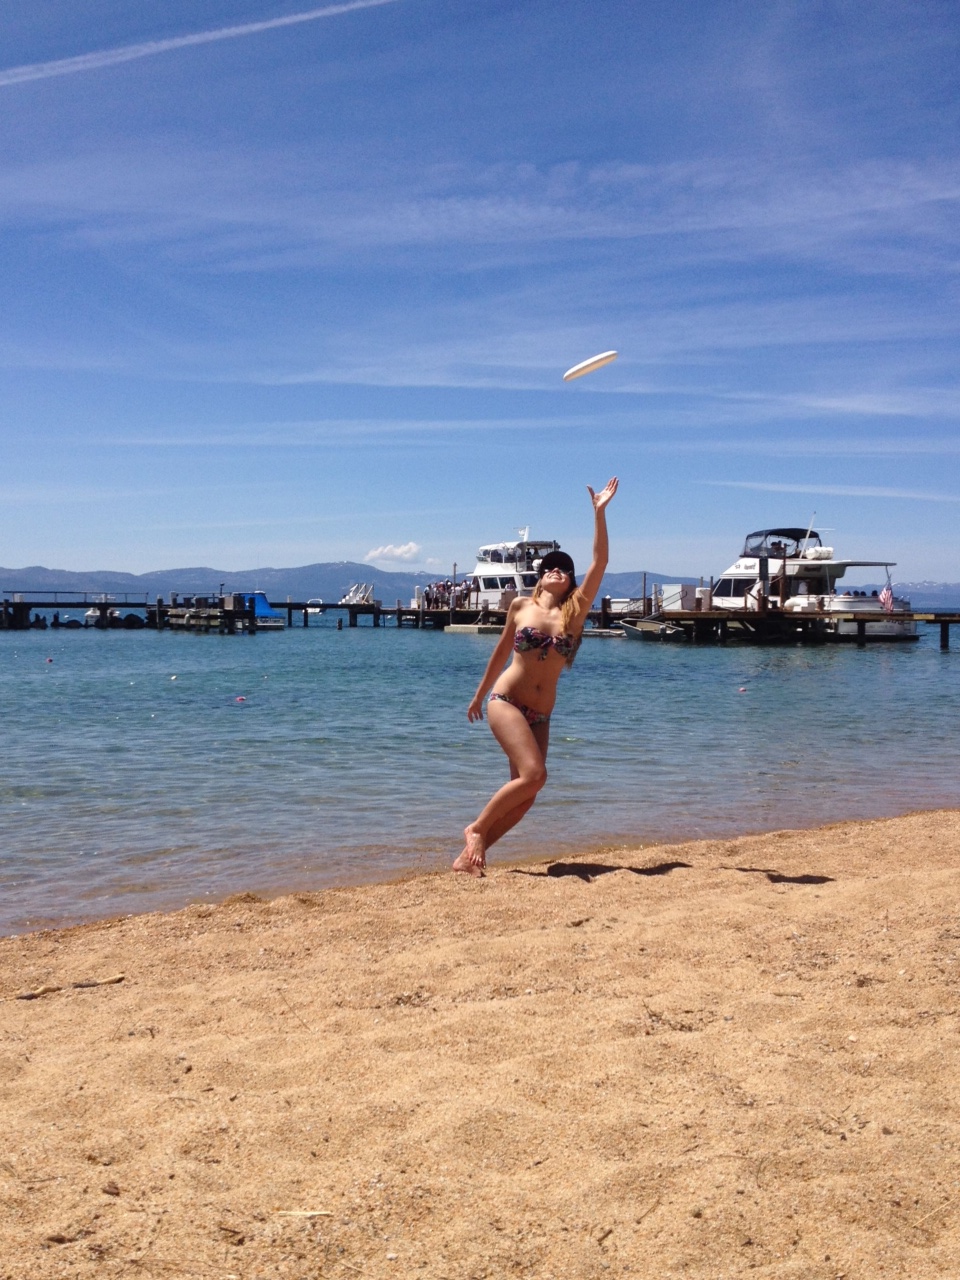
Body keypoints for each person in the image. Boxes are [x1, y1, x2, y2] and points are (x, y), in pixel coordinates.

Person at [453, 477, 619, 876]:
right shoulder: (520, 607)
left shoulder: (574, 613)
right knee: (535, 774)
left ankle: (470, 858)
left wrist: (599, 513)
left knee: (527, 794)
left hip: (541, 715)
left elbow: (601, 562)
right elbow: (499, 655)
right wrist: (479, 695)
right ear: (541, 576)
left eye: (565, 569)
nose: (558, 570)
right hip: (506, 702)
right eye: (551, 568)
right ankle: (474, 829)